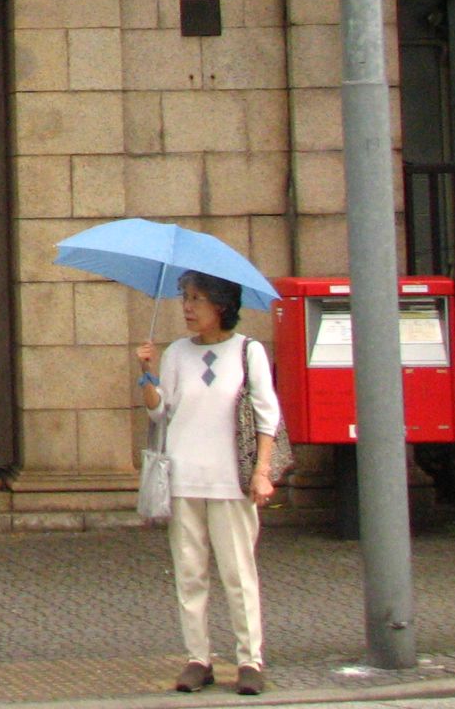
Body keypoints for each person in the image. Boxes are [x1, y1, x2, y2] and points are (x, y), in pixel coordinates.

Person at [135, 270, 281, 696]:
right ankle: (198, 658)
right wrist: (146, 372)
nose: (187, 307)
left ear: (221, 305)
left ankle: (249, 659)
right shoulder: (177, 353)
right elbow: (160, 411)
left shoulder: (247, 351)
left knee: (238, 572)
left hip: (230, 480)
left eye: (196, 298)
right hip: (184, 478)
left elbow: (267, 415)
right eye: (184, 297)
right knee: (190, 572)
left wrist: (261, 471)